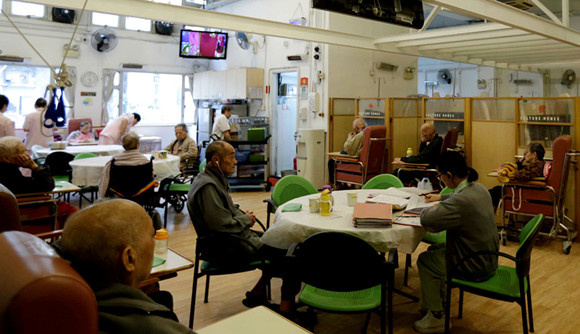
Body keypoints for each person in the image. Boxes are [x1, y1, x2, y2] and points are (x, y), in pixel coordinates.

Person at [188, 141, 301, 320]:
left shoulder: (212, 179)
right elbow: (220, 224)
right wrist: (245, 219)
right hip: (225, 246)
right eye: (231, 156)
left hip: (231, 238)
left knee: (278, 242)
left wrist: (242, 216)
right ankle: (287, 310)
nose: (235, 161)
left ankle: (256, 294)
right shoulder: (208, 187)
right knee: (291, 253)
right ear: (216, 160)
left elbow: (227, 210)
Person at [58, 199, 195, 334]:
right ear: (129, 258)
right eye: (151, 235)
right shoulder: (156, 327)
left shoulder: (63, 306)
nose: (153, 243)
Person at [414, 151, 499, 333]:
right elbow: (459, 198)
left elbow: (428, 221)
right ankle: (439, 303)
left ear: (449, 176)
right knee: (435, 251)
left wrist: (418, 208)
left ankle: (436, 316)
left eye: (440, 176)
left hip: (473, 266)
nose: (440, 180)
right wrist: (441, 198)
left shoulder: (461, 201)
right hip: (488, 258)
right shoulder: (480, 188)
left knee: (426, 261)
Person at [489, 142, 545, 209]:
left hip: (524, 192)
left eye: (526, 153)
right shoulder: (538, 164)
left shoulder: (536, 166)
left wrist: (507, 172)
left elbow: (519, 175)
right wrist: (519, 162)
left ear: (534, 154)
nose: (524, 156)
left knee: (493, 192)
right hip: (524, 189)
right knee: (495, 190)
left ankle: (490, 217)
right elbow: (521, 172)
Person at [98, 132, 150, 198]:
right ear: (137, 145)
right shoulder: (145, 161)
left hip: (118, 195)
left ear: (123, 145)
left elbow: (104, 182)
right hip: (140, 196)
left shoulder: (114, 162)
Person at [328, 117, 366, 185]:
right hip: (365, 164)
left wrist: (349, 138)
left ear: (357, 128)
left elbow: (348, 149)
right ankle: (343, 184)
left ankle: (337, 185)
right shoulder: (367, 132)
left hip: (356, 162)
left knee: (331, 162)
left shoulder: (360, 135)